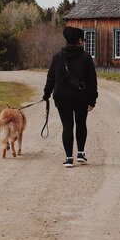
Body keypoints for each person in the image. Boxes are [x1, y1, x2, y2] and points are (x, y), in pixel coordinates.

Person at [43, 26, 98, 167]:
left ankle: (68, 158)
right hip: (81, 98)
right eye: (83, 39)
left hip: (62, 98)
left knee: (67, 126)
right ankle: (80, 153)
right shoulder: (86, 58)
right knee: (81, 124)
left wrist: (46, 94)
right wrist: (92, 100)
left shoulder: (57, 57)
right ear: (79, 40)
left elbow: (51, 78)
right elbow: (92, 81)